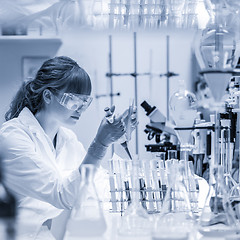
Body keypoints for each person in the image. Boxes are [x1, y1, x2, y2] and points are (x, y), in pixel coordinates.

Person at [0, 56, 137, 239]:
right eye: (73, 100)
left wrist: (118, 143)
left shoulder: (66, 139)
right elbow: (62, 194)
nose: (79, 108)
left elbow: (98, 185)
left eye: (85, 102)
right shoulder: (12, 137)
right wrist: (100, 144)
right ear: (47, 96)